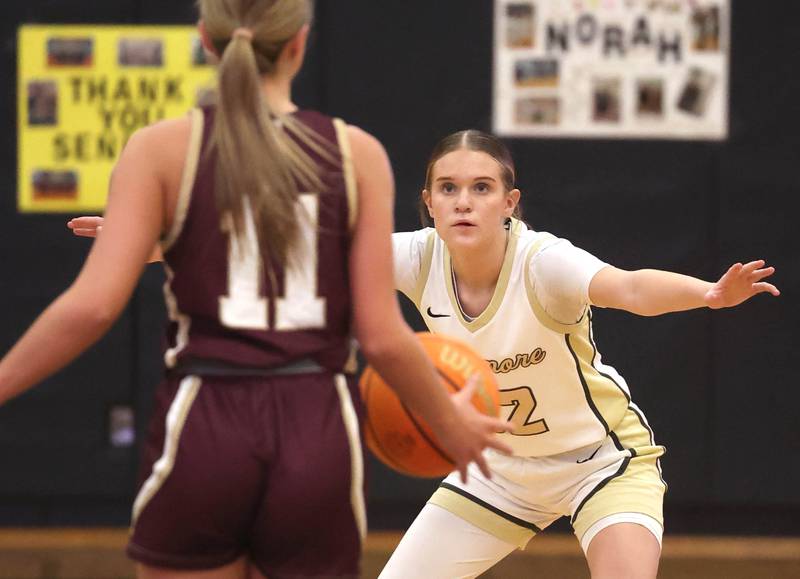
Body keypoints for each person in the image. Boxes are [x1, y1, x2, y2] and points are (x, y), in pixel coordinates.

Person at [1, 2, 510, 577]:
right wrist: (447, 420)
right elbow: (384, 338)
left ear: (206, 42)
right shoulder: (355, 153)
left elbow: (91, 307)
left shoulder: (160, 149)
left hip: (207, 423)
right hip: (315, 431)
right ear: (299, 43)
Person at [377, 130, 779, 579]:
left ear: (509, 202)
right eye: (448, 188)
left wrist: (708, 294)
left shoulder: (542, 263)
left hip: (599, 463)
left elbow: (628, 287)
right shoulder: (416, 257)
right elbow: (318, 251)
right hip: (499, 468)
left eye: (482, 187)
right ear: (429, 202)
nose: (463, 202)